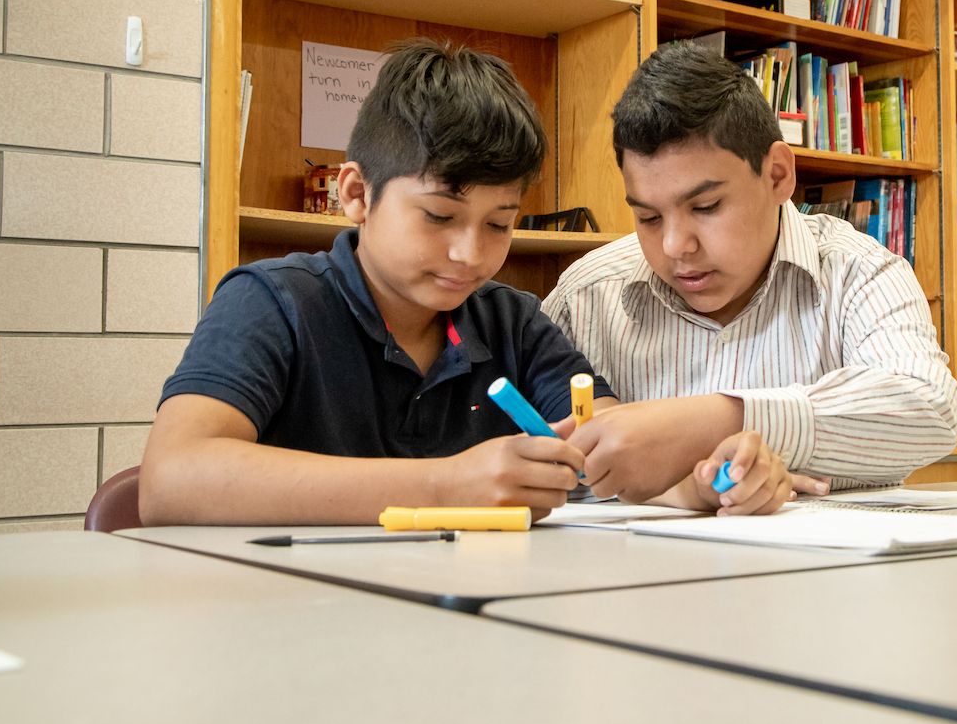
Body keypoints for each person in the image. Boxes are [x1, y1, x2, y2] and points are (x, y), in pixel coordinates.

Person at [140, 39, 612, 526]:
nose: (470, 255)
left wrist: (626, 449)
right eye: (438, 215)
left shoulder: (512, 322)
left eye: (498, 225)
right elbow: (171, 480)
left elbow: (610, 435)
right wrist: (444, 486)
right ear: (357, 194)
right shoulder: (272, 301)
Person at [544, 43, 957, 509]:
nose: (674, 246)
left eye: (706, 208)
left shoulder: (857, 272)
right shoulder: (584, 298)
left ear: (778, 175)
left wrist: (721, 418)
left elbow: (932, 407)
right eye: (648, 217)